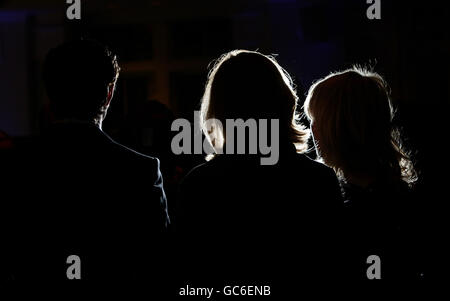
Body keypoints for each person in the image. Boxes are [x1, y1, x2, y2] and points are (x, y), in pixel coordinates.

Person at [7, 39, 169, 281]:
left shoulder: (13, 165)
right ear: (109, 93)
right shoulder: (139, 170)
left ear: (49, 93)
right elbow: (158, 258)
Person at [176, 50, 342, 284]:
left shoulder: (198, 185)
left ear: (219, 111)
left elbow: (189, 273)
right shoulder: (317, 180)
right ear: (285, 102)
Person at [303, 66, 420, 279]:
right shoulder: (399, 194)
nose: (313, 132)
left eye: (315, 121)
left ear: (333, 129)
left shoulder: (346, 203)